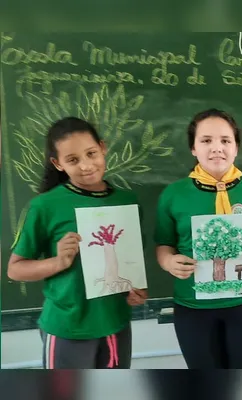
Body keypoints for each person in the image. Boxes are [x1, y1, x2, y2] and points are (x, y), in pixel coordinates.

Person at [7, 117, 147, 369]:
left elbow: (129, 260)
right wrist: (58, 261)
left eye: (91, 153)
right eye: (72, 160)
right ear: (57, 163)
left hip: (116, 324)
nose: (86, 165)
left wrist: (135, 290)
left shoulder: (127, 201)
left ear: (103, 148)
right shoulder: (44, 206)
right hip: (67, 328)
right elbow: (15, 269)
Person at [154, 108, 242, 369]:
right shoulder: (173, 194)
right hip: (194, 305)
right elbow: (163, 244)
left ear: (236, 148)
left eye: (225, 140)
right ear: (193, 148)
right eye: (206, 140)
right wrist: (168, 262)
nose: (216, 148)